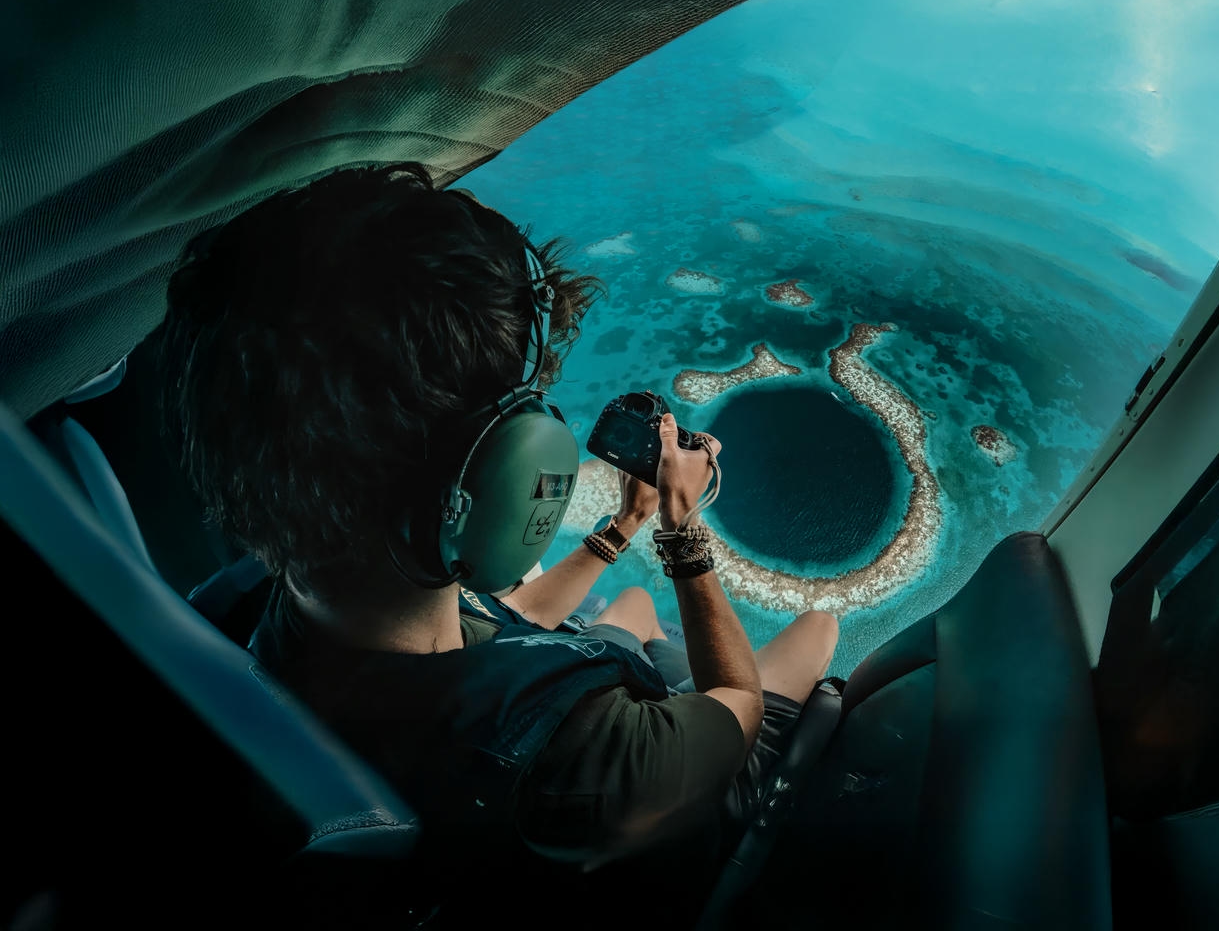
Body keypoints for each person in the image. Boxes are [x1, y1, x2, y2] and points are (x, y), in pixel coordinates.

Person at [152, 163, 838, 905]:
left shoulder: (236, 609)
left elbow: (492, 643)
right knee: (818, 630)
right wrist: (680, 524)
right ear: (502, 477)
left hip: (499, 716)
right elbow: (736, 700)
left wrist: (624, 525)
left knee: (633, 608)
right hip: (659, 781)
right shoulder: (586, 754)